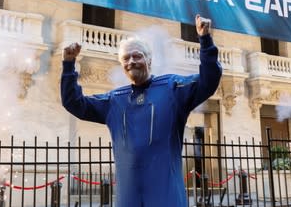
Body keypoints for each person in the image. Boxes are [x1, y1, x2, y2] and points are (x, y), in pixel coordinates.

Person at [60, 14, 222, 207]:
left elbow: (208, 81)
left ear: (149, 60)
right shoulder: (114, 100)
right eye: (126, 58)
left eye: (137, 56)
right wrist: (68, 65)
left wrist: (205, 39)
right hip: (129, 199)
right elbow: (74, 103)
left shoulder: (173, 88)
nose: (131, 62)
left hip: (167, 198)